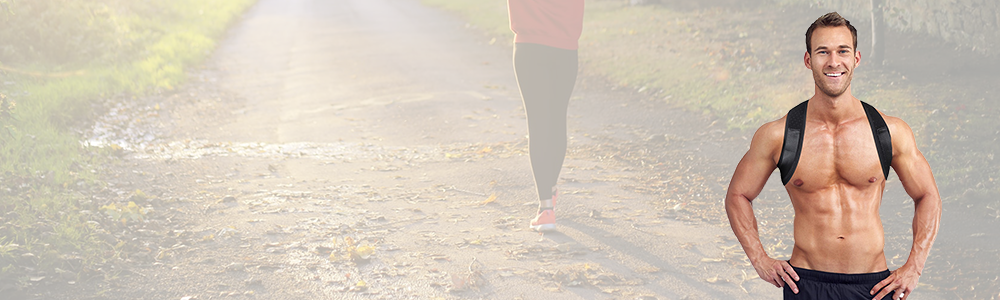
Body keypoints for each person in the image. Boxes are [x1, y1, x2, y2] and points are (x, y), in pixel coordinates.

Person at [724, 12, 941, 300]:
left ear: (857, 58)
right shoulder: (779, 135)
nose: (833, 61)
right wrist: (759, 259)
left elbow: (928, 195)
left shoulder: (889, 131)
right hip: (806, 283)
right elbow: (737, 195)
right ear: (808, 60)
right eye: (822, 52)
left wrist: (915, 266)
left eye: (843, 51)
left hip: (873, 286)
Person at [507, 0, 584, 231]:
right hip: (565, 49)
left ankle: (546, 208)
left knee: (538, 125)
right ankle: (549, 191)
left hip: (529, 47)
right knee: (557, 120)